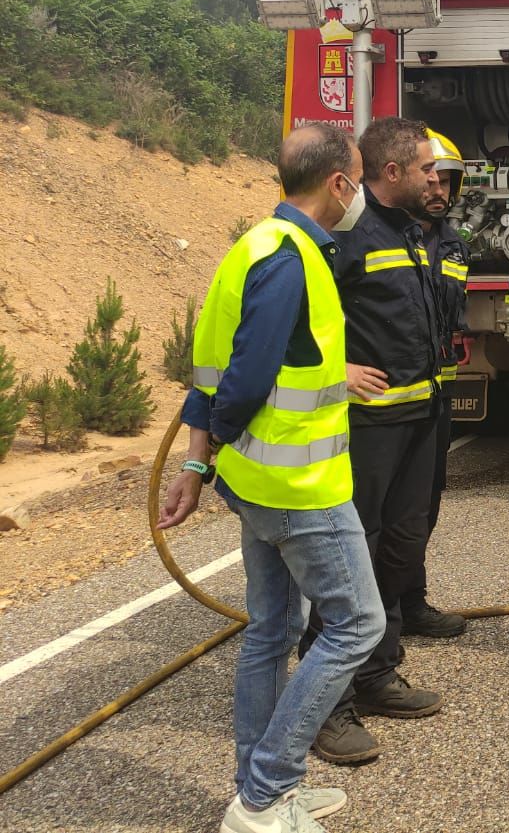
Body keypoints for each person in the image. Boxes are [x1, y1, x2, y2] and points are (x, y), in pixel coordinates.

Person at [159, 123, 383, 833]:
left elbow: (209, 368)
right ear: (339, 185)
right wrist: (213, 443)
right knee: (357, 624)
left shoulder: (252, 245)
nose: (363, 195)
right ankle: (264, 792)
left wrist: (200, 461)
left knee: (271, 628)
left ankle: (260, 787)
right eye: (359, 180)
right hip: (298, 487)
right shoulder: (291, 259)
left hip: (254, 483)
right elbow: (248, 377)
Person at [306, 116, 447, 766]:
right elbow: (296, 316)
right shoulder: (345, 236)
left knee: (401, 547)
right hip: (368, 428)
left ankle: (377, 671)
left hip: (419, 420)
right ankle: (324, 707)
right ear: (391, 172)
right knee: (351, 564)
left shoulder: (412, 231)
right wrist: (336, 373)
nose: (435, 178)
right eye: (426, 168)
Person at [397, 128, 470, 639]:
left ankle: (411, 600)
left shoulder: (452, 244)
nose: (439, 190)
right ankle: (379, 615)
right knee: (387, 511)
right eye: (432, 179)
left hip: (436, 396)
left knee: (426, 501)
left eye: (448, 181)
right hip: (386, 400)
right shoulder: (387, 237)